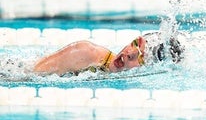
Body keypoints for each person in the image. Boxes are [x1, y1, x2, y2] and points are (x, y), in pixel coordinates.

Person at [33, 32, 184, 76]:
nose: (129, 53)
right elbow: (33, 74)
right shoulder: (86, 53)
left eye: (141, 57)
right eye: (135, 43)